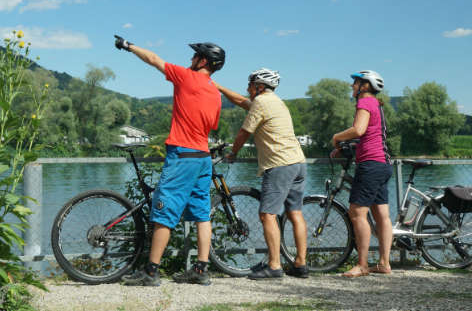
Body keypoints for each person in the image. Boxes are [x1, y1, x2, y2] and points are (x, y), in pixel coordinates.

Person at [113, 34, 225, 287]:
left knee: (164, 211)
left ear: (203, 60)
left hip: (182, 155)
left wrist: (128, 46)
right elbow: (212, 125)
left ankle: (151, 272)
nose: (190, 58)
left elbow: (153, 59)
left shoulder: (187, 77)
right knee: (202, 214)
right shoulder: (216, 94)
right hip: (202, 157)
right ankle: (200, 269)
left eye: (195, 55)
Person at [215, 68, 309, 280]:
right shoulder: (275, 101)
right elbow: (241, 101)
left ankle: (274, 266)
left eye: (249, 85)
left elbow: (244, 132)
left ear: (259, 87)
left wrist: (233, 152)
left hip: (279, 164)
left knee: (267, 214)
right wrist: (219, 87)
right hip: (298, 162)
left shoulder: (261, 103)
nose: (247, 89)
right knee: (295, 213)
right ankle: (301, 264)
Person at [331, 70, 393, 278]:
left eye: (355, 83)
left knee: (357, 214)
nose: (352, 86)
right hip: (383, 163)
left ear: (364, 86)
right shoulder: (376, 104)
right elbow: (369, 134)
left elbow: (358, 129)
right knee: (382, 215)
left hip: (370, 165)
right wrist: (347, 145)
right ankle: (384, 263)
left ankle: (362, 264)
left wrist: (337, 137)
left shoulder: (365, 102)